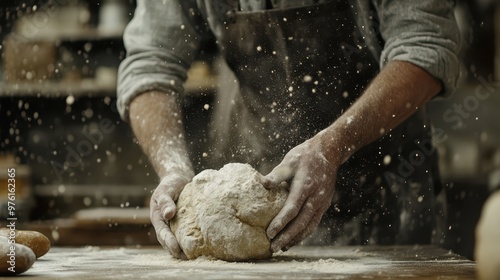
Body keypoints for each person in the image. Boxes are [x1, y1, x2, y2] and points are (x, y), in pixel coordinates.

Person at [117, 0, 460, 259]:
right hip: (262, 182)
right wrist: (172, 166)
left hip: (386, 187)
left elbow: (425, 46)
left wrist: (333, 145)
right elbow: (150, 63)